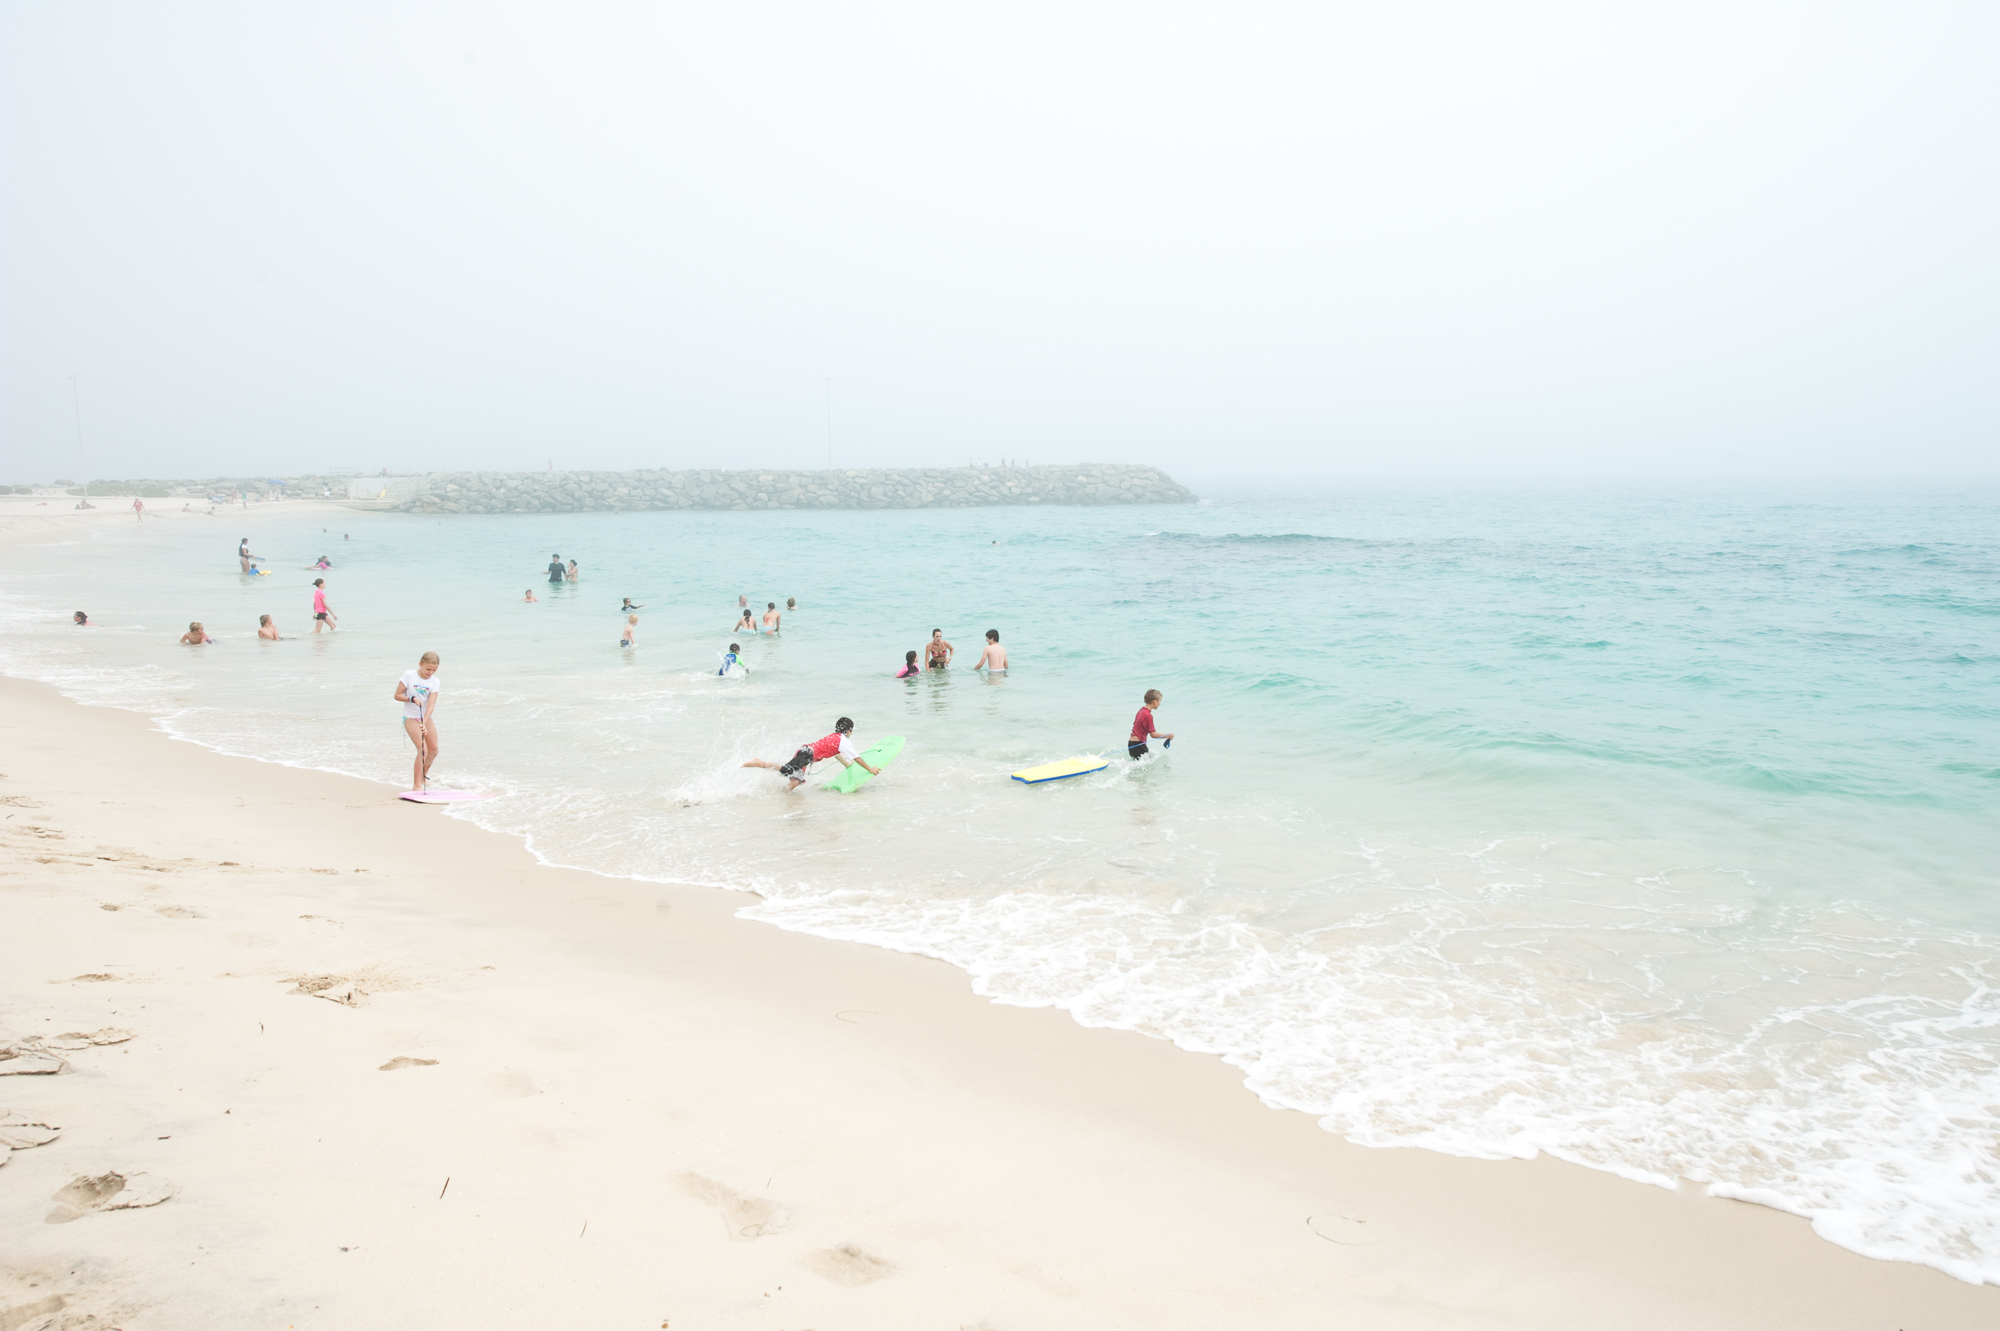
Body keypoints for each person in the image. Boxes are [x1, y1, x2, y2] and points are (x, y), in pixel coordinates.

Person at [743, 717, 880, 792]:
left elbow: (835, 753)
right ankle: (758, 762)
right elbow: (857, 758)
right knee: (786, 770)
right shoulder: (844, 741)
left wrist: (846, 765)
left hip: (805, 752)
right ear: (849, 730)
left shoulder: (835, 737)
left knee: (795, 782)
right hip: (806, 755)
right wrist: (871, 769)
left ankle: (782, 795)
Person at [394, 651, 443, 792]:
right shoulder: (409, 675)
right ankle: (416, 786)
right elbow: (397, 695)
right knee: (423, 750)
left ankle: (423, 776)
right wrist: (411, 698)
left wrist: (425, 722)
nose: (430, 673)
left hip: (425, 718)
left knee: (434, 750)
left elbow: (431, 705)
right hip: (410, 717)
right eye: (428, 669)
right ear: (420, 664)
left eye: (434, 670)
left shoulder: (435, 682)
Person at [1129, 689, 1174, 760]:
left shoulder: (1141, 711)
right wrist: (1167, 735)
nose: (1160, 703)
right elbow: (1153, 735)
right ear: (1154, 702)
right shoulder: (1148, 716)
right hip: (1138, 745)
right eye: (1159, 701)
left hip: (1132, 744)